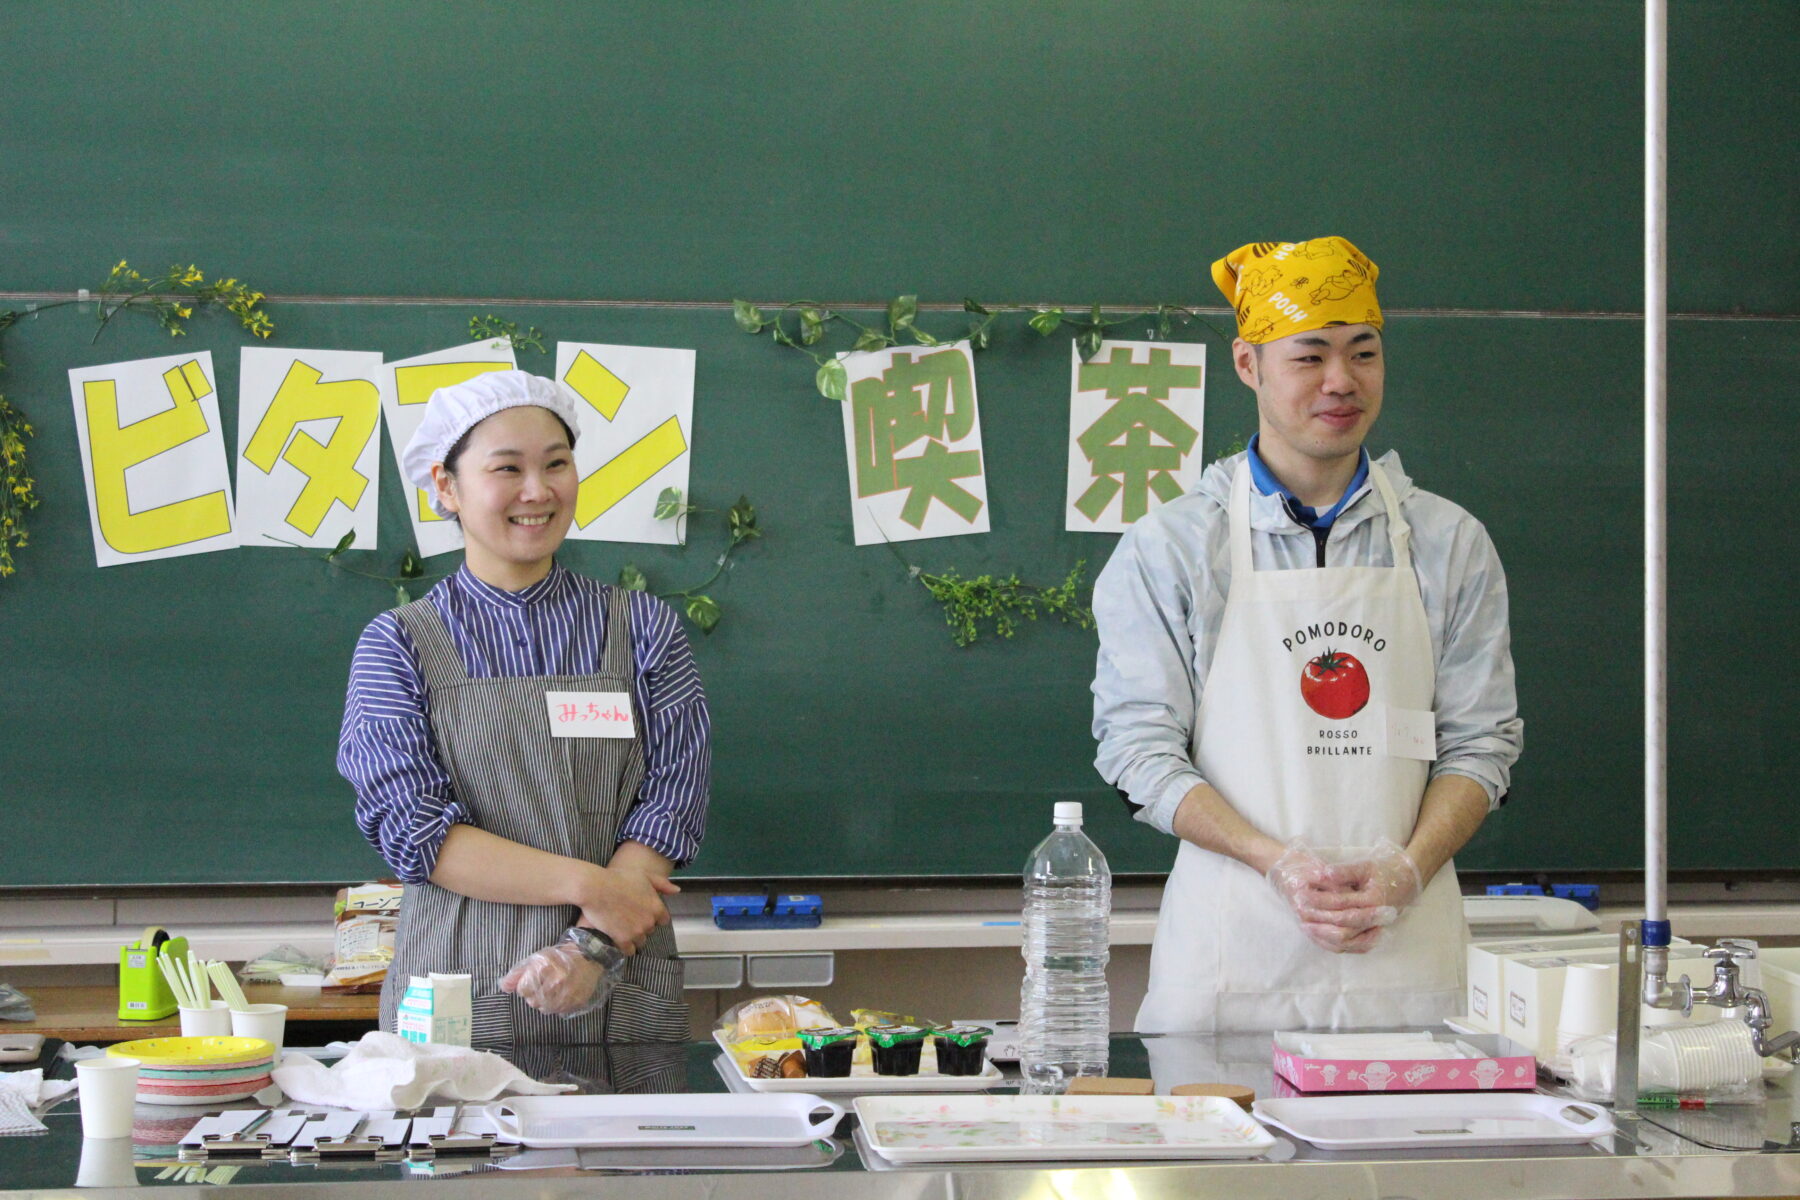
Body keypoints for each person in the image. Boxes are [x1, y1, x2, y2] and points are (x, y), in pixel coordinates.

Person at [1092, 237, 1523, 1033]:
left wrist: (1406, 868)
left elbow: (1481, 745)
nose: (1341, 381)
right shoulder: (1174, 548)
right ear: (1248, 364)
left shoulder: (1449, 543)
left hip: (1412, 978)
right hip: (1228, 973)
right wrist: (1275, 861)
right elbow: (1138, 751)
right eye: (1310, 356)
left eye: (1364, 352)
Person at [338, 370, 711, 1051]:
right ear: (445, 487)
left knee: (629, 1155)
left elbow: (672, 803)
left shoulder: (646, 628)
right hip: (458, 992)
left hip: (620, 982)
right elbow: (418, 832)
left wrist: (588, 950)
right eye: (506, 468)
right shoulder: (398, 645)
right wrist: (593, 890)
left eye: (557, 464)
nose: (538, 491)